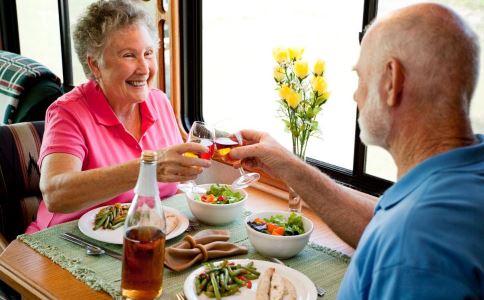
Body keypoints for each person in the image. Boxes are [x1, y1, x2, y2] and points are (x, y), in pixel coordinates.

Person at [231, 3, 484, 299]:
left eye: (360, 76)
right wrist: (290, 166)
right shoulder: (455, 181)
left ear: (391, 80)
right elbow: (379, 228)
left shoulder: (415, 244)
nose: (355, 94)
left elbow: (403, 243)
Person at [26, 0, 211, 233]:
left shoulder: (159, 102)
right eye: (129, 55)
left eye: (148, 53)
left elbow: (176, 184)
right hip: (68, 241)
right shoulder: (68, 112)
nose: (144, 68)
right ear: (95, 65)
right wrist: (148, 167)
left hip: (139, 236)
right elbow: (55, 195)